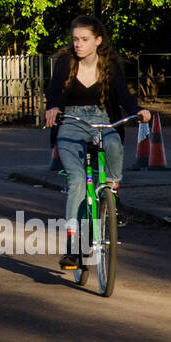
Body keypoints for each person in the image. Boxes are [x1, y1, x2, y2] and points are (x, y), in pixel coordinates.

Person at [44, 15, 152, 271]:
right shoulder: (65, 63)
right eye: (75, 39)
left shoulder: (109, 65)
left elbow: (123, 95)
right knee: (78, 180)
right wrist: (53, 108)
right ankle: (72, 247)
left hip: (102, 120)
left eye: (84, 39)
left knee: (114, 145)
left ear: (98, 41)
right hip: (70, 123)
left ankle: (112, 193)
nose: (78, 44)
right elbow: (54, 91)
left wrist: (138, 110)